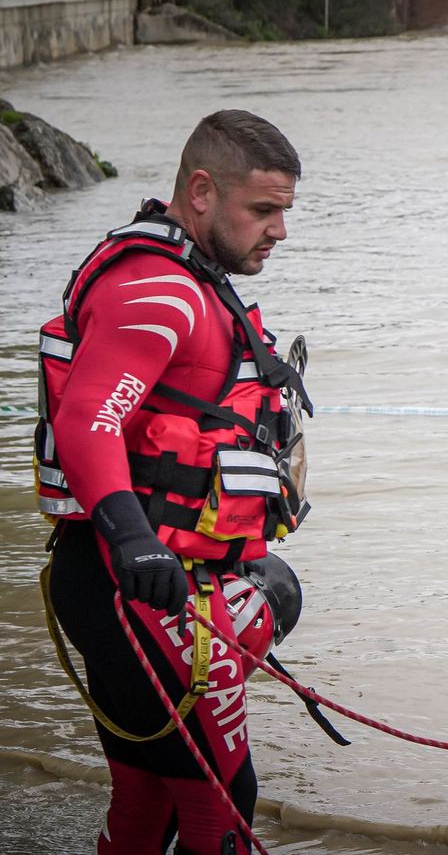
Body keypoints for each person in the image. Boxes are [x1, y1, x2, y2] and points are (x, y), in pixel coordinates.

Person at [35, 110, 313, 854]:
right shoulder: (157, 292)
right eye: (263, 209)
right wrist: (133, 543)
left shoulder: (195, 281)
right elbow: (89, 419)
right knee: (221, 805)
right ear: (199, 192)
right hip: (140, 590)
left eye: (284, 210)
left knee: (149, 796)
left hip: (137, 586)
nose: (279, 230)